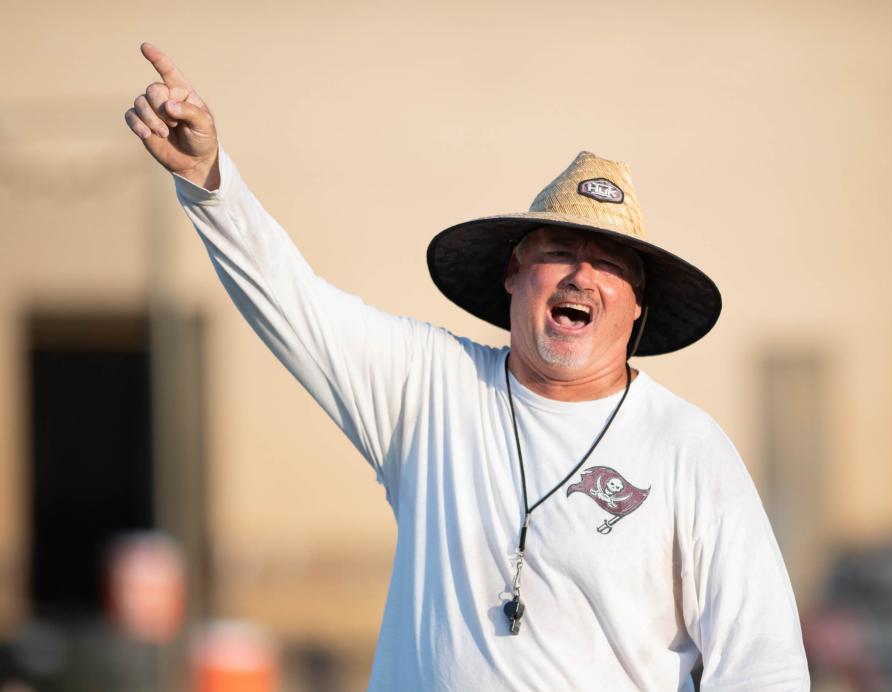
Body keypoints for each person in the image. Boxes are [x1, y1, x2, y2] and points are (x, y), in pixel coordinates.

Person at [124, 43, 809, 690]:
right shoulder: (430, 389)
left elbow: (762, 663)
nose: (582, 275)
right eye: (559, 251)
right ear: (513, 275)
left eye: (609, 264)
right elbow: (292, 302)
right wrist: (209, 182)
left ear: (637, 308)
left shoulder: (688, 448)